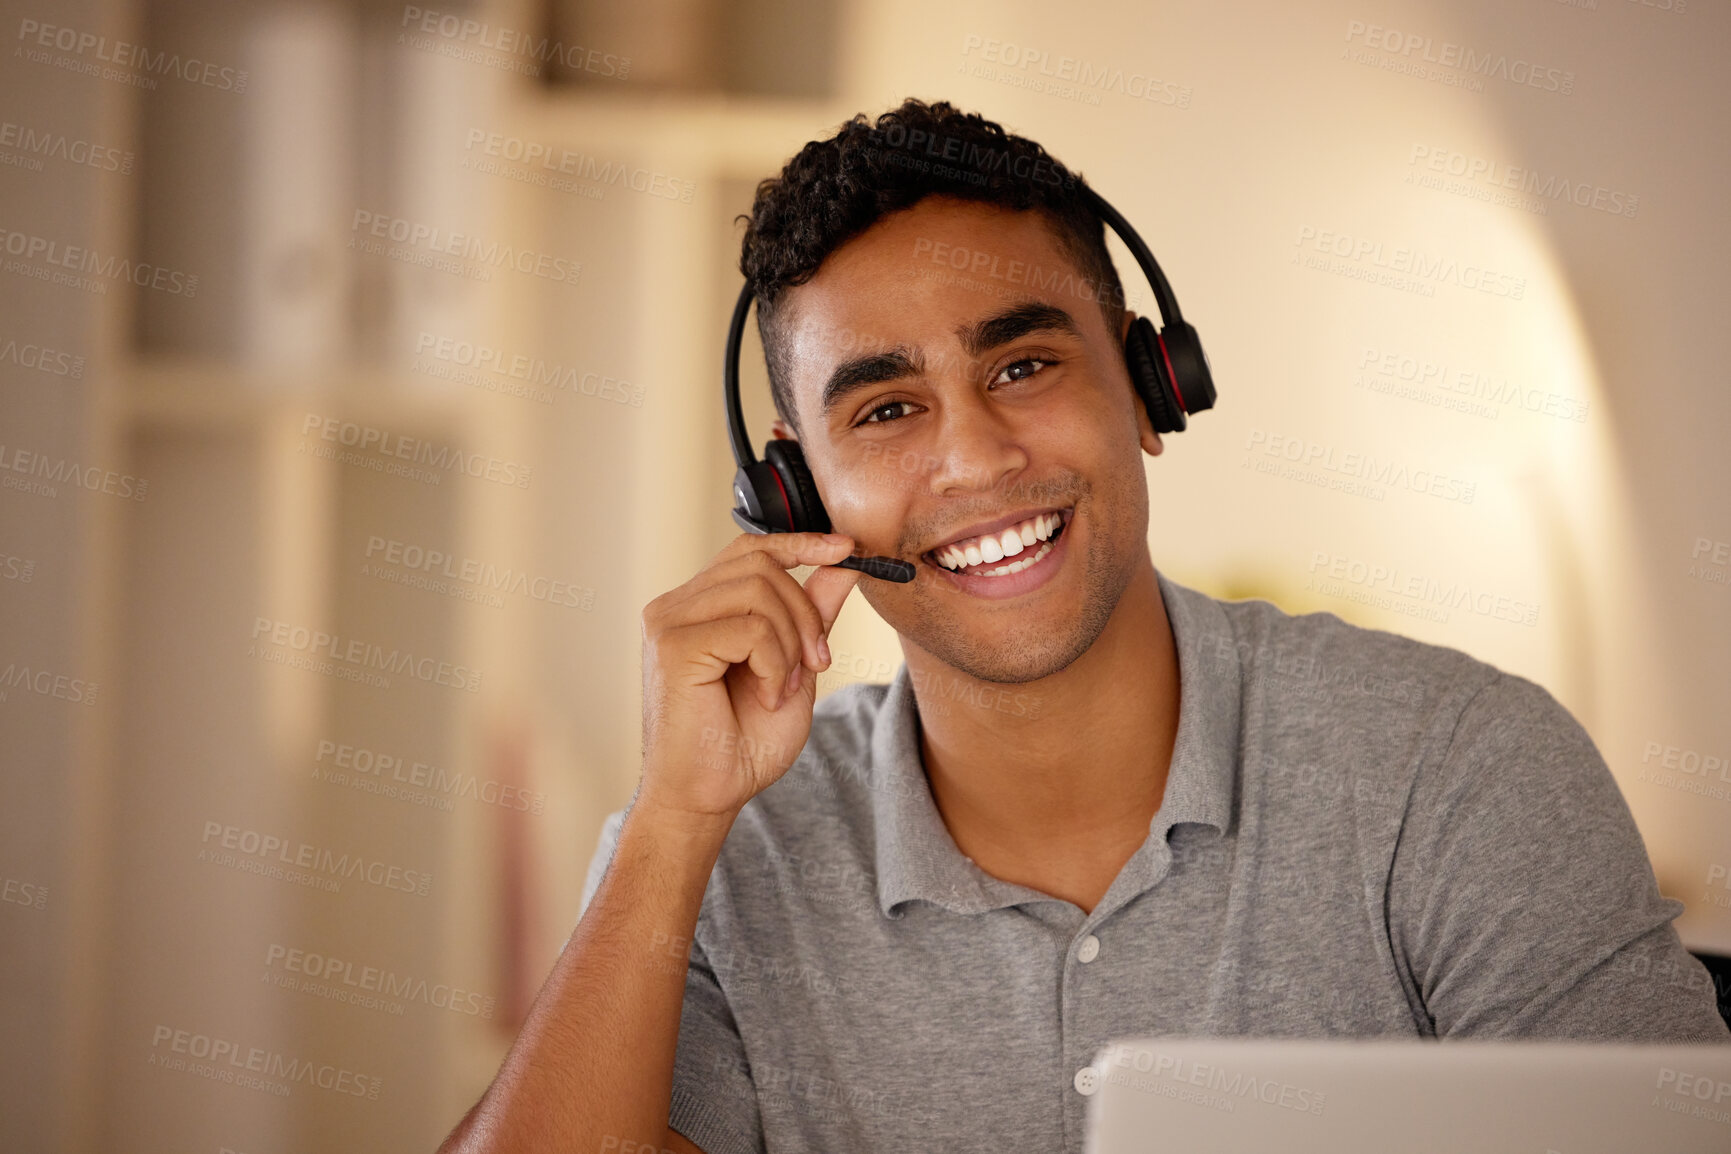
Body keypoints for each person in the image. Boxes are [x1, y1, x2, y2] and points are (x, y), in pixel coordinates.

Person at [437, 98, 1728, 1154]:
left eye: (1023, 366)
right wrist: (668, 828)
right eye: (885, 409)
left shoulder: (1461, 769)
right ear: (793, 491)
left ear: (1150, 382)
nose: (976, 457)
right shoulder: (723, 856)